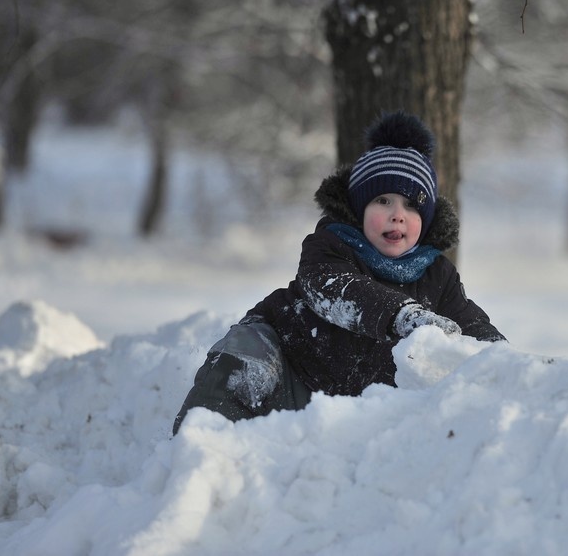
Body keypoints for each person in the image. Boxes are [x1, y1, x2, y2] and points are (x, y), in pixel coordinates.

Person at [173, 111, 505, 434]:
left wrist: (506, 363)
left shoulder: (437, 274)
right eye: (383, 201)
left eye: (412, 206)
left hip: (356, 413)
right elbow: (337, 290)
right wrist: (403, 316)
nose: (397, 215)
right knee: (245, 352)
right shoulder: (331, 245)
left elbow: (472, 326)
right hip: (294, 380)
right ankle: (200, 442)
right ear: (359, 209)